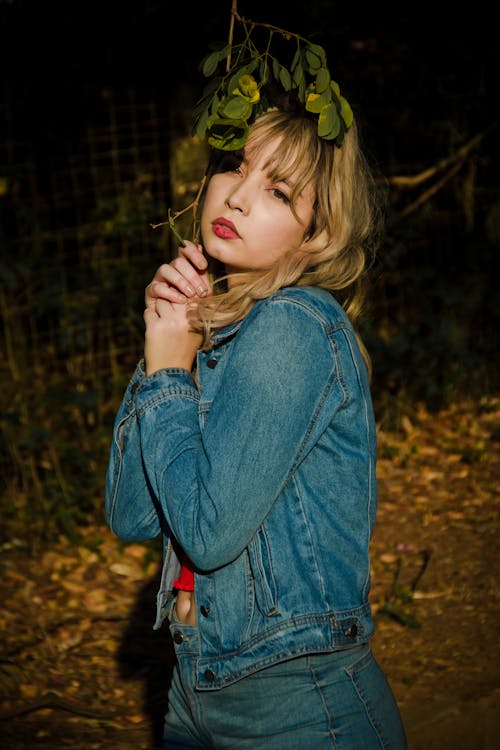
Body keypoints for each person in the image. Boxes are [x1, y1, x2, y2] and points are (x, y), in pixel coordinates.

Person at [105, 101, 407, 747]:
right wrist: (163, 350)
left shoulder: (295, 324)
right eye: (235, 167)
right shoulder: (219, 334)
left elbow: (207, 535)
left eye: (277, 190)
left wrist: (165, 379)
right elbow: (131, 513)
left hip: (298, 710)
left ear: (317, 233)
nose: (237, 197)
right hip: (193, 694)